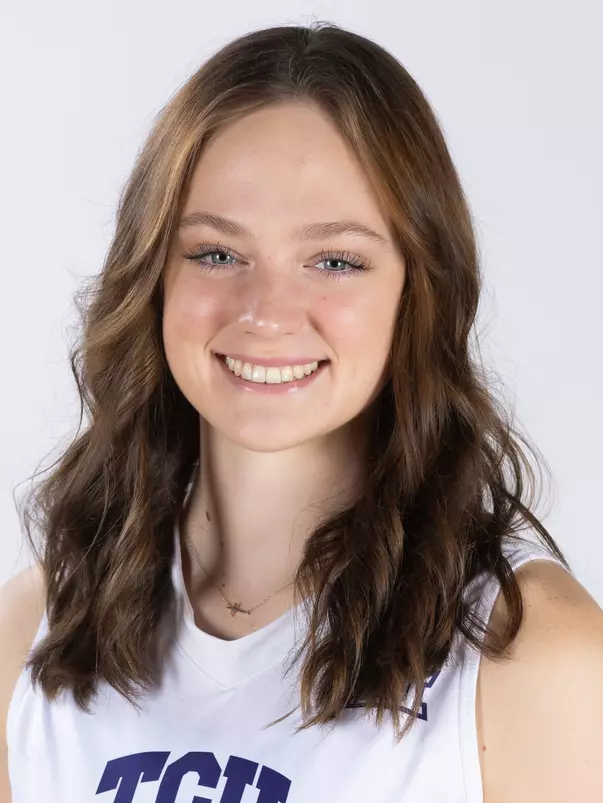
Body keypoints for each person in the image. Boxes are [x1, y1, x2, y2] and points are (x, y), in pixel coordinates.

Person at [1, 20, 602, 803]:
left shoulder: (532, 655)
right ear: (150, 276)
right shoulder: (35, 632)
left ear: (417, 292)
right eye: (216, 252)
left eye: (335, 260)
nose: (267, 311)